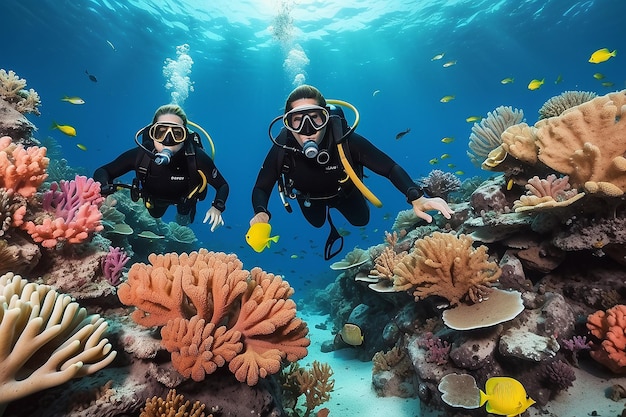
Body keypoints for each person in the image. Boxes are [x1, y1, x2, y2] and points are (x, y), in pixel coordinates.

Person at [249, 85, 454, 259]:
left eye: (315, 118)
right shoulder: (282, 148)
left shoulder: (344, 140)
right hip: (308, 199)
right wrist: (260, 211)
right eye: (297, 120)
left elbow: (390, 168)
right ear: (288, 123)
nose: (307, 128)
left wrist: (416, 197)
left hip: (345, 193)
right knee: (317, 223)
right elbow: (261, 186)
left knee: (361, 221)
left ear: (326, 118)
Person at [94, 104, 228, 230]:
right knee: (155, 215)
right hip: (154, 199)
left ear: (185, 136)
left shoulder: (196, 158)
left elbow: (222, 185)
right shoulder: (142, 155)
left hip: (185, 200)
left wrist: (217, 207)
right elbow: (103, 171)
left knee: (184, 219)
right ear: (152, 134)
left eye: (177, 134)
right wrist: (103, 187)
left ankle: (184, 212)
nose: (168, 140)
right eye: (160, 132)